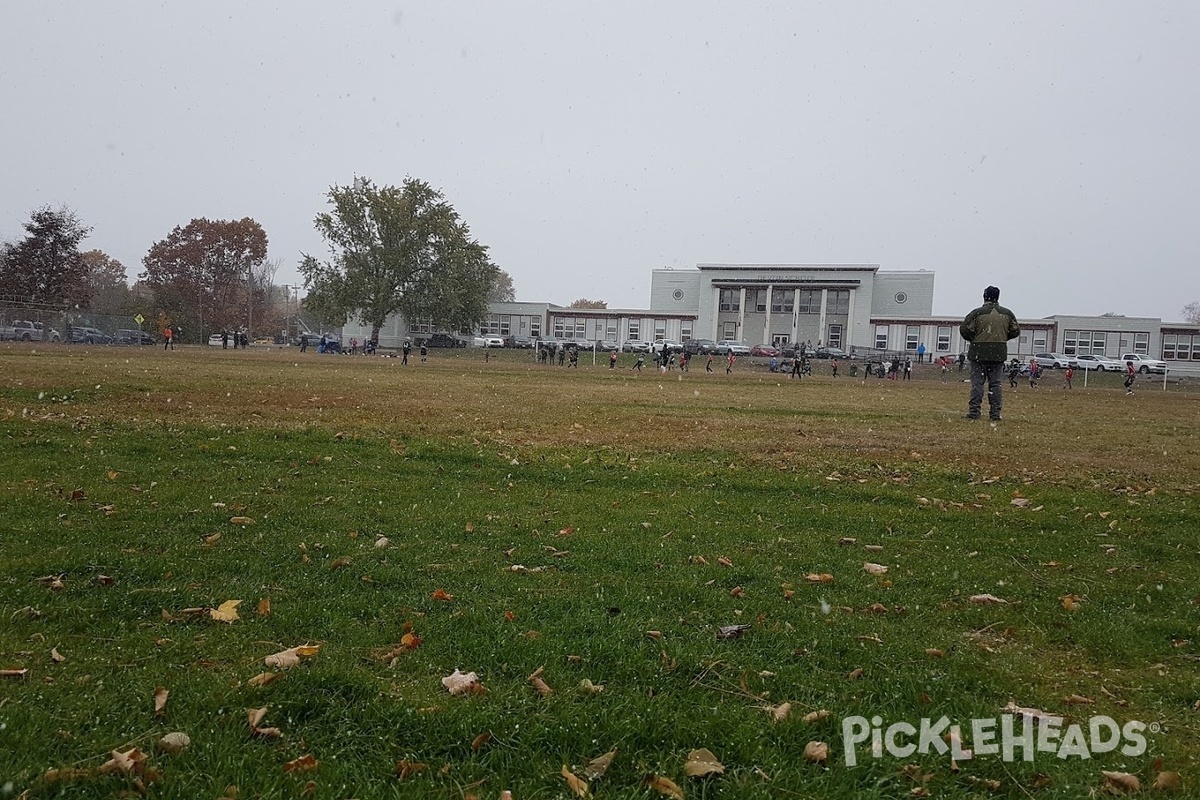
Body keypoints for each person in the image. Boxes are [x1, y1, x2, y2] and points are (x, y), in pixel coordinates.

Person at [960, 285, 1020, 421]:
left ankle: (974, 412)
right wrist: (1002, 338)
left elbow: (964, 330)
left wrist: (975, 339)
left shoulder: (976, 313)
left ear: (984, 296)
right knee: (995, 384)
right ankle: (995, 414)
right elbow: (1015, 330)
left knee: (977, 384)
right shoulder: (1008, 313)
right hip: (998, 353)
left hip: (978, 353)